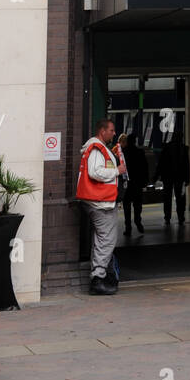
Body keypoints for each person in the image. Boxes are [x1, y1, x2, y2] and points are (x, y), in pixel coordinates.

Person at [76, 118, 126, 296]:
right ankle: (98, 278)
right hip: (100, 203)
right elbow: (95, 171)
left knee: (101, 239)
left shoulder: (97, 148)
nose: (114, 133)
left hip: (99, 202)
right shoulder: (97, 148)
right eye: (111, 130)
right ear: (102, 131)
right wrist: (116, 171)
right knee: (107, 239)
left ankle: (98, 276)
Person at [155, 131, 190, 226]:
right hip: (180, 177)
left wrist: (156, 176)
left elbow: (161, 163)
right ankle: (181, 217)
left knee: (167, 197)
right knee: (180, 198)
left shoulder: (166, 147)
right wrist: (187, 179)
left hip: (167, 177)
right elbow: (187, 165)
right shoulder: (184, 148)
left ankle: (167, 217)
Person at [119, 133, 148, 236]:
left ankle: (128, 227)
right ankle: (138, 221)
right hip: (138, 183)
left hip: (127, 183)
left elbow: (120, 168)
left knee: (127, 206)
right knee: (137, 205)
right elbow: (145, 167)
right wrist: (145, 181)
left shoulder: (124, 152)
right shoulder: (140, 152)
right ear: (135, 141)